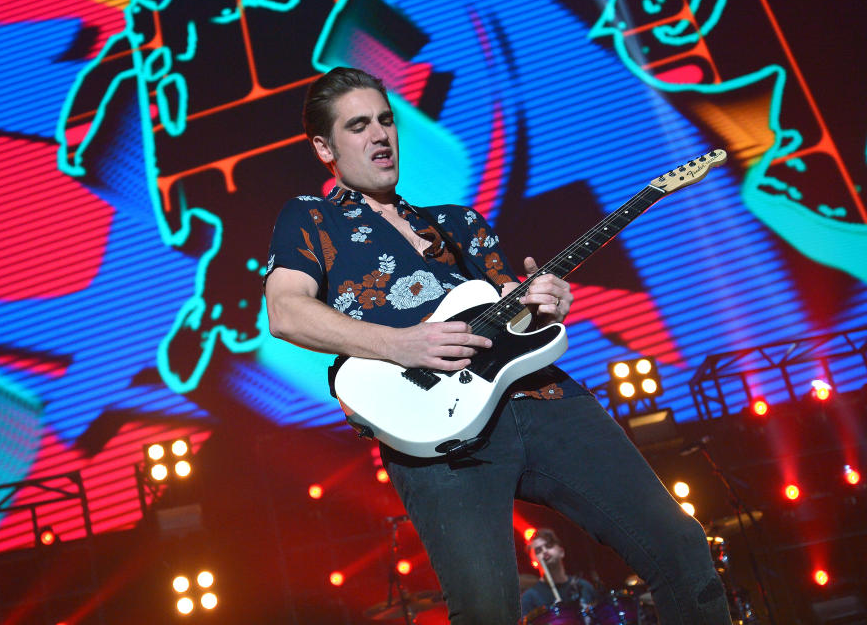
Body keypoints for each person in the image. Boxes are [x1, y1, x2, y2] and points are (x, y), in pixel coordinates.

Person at [264, 66, 731, 625]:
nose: (380, 135)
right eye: (358, 125)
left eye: (386, 120)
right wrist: (401, 344)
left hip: (541, 401)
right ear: (324, 147)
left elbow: (511, 310)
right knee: (486, 612)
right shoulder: (310, 219)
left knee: (682, 547)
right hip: (439, 439)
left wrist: (543, 302)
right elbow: (285, 311)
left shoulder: (459, 222)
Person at [521, 528, 598, 616]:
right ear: (533, 561)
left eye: (549, 545)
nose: (544, 551)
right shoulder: (529, 598)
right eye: (538, 550)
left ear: (561, 551)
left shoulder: (583, 586)